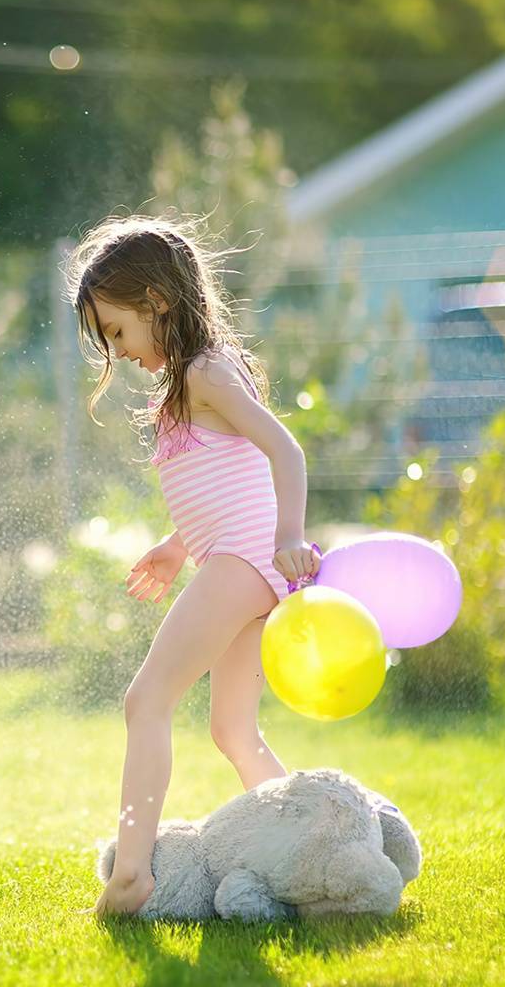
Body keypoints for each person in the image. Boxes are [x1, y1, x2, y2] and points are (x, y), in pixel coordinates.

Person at [66, 214, 322, 917]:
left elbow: (285, 452)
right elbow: (222, 479)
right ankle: (308, 849)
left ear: (158, 303)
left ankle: (132, 875)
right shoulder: (186, 383)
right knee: (232, 731)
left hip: (246, 561)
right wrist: (176, 546)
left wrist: (290, 535)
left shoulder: (206, 371)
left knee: (146, 700)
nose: (117, 351)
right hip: (233, 561)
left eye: (118, 331)